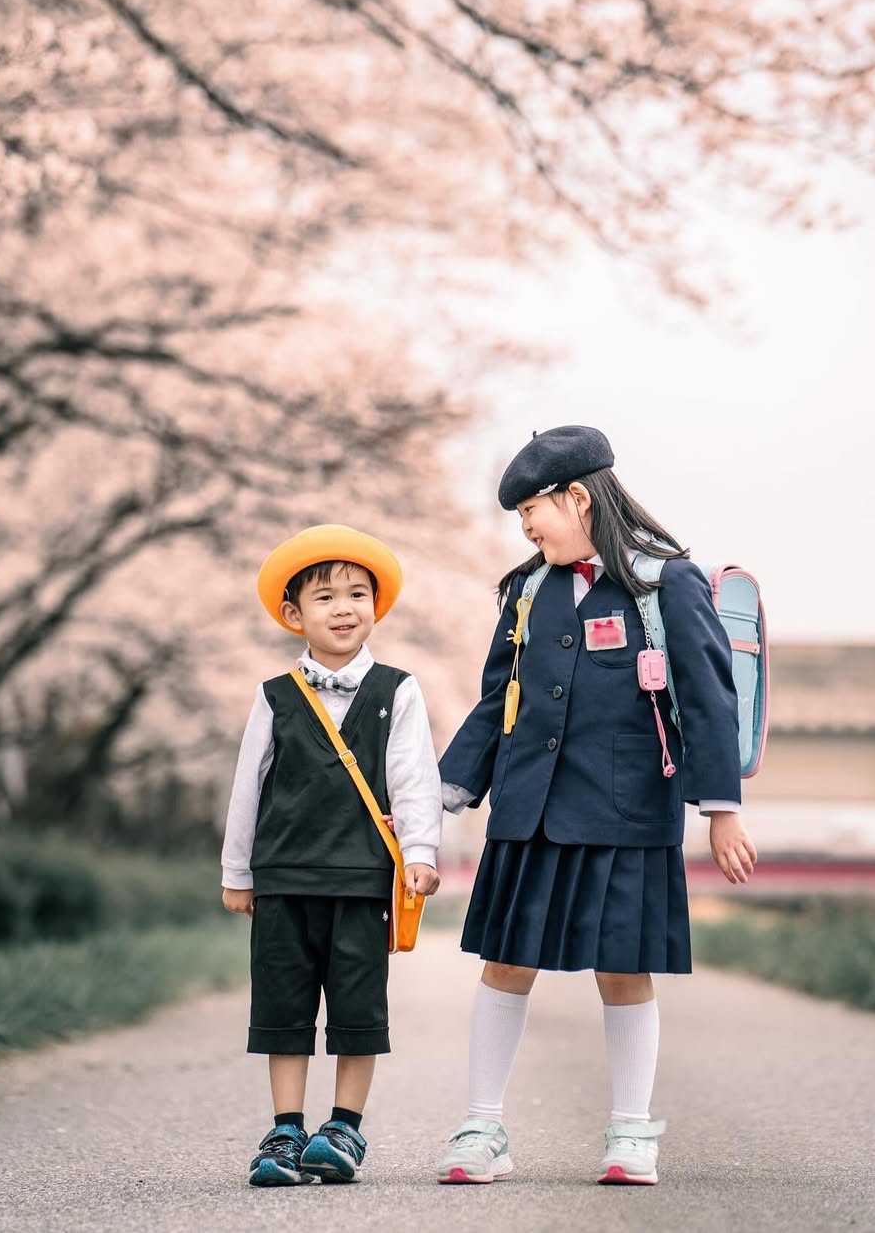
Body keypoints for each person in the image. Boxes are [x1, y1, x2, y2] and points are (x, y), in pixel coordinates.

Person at [436, 426, 757, 1187]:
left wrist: (721, 809)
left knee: (624, 968)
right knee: (505, 963)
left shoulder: (665, 583)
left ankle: (630, 1132)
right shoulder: (525, 591)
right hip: (528, 811)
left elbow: (708, 699)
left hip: (627, 812)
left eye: (532, 512)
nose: (527, 528)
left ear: (577, 498)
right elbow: (495, 703)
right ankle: (482, 1128)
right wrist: (441, 797)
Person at [221, 524, 442, 1187]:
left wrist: (421, 853)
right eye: (324, 597)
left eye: (356, 594)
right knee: (283, 1011)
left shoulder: (397, 691)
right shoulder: (275, 696)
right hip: (284, 877)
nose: (343, 607)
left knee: (357, 1010)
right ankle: (286, 1130)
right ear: (294, 615)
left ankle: (344, 1127)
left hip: (362, 882)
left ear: (376, 606)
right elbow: (247, 785)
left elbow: (413, 778)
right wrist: (238, 872)